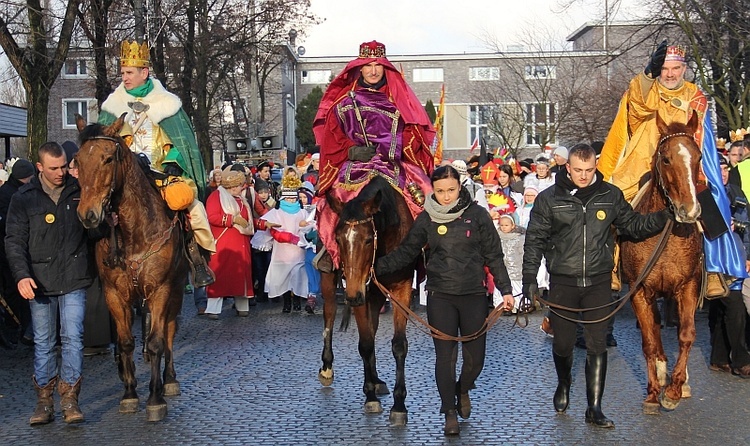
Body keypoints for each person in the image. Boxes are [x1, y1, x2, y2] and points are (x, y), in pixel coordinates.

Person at [522, 144, 671, 429]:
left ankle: (594, 407)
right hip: (563, 281)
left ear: (595, 168)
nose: (583, 175)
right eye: (578, 170)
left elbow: (633, 226)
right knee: (564, 345)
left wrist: (663, 217)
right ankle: (564, 383)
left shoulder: (610, 195)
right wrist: (530, 279)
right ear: (568, 167)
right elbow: (534, 241)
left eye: (589, 171)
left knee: (597, 345)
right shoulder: (548, 199)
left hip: (599, 281)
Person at [598, 40, 747, 297]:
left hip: (683, 164)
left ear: (684, 69)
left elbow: (699, 131)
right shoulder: (648, 90)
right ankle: (611, 264)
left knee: (708, 202)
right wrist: (647, 74)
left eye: (675, 68)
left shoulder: (695, 95)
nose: (669, 74)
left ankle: (712, 270)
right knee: (614, 203)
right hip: (643, 162)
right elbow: (638, 103)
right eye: (664, 68)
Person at [375, 165, 514, 436]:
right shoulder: (427, 219)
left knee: (476, 361)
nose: (446, 196)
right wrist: (376, 267)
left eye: (451, 190)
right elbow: (406, 252)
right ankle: (449, 411)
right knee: (445, 358)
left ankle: (463, 388)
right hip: (441, 296)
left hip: (473, 294)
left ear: (459, 187)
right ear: (433, 191)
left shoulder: (478, 216)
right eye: (440, 191)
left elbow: (494, 256)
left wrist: (506, 289)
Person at [97, 40, 215, 288]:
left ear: (144, 73)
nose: (125, 78)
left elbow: (179, 143)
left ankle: (196, 259)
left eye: (129, 73)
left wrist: (174, 162)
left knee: (189, 205)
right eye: (122, 73)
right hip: (123, 176)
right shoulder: (112, 107)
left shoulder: (168, 105)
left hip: (159, 173)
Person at [313, 40, 435, 271]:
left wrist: (394, 147)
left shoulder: (399, 100)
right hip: (356, 165)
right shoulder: (343, 103)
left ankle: (426, 250)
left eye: (378, 65)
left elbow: (412, 132)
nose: (373, 70)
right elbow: (332, 138)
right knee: (335, 198)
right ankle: (331, 251)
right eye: (368, 65)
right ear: (359, 68)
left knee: (426, 194)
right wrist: (351, 150)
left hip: (393, 162)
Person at [5, 142, 94, 425]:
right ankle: (44, 402)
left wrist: (107, 224)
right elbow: (14, 241)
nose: (61, 172)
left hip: (74, 277)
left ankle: (69, 399)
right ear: (40, 167)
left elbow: (94, 233)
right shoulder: (24, 198)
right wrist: (22, 275)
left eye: (65, 166)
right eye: (54, 168)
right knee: (43, 342)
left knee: (73, 339)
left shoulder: (79, 191)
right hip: (40, 281)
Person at [709, 155, 750, 376]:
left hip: (734, 258)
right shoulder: (705, 194)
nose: (723, 173)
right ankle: (741, 360)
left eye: (726, 169)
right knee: (731, 306)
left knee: (728, 306)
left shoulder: (736, 192)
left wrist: (748, 254)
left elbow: (747, 225)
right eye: (719, 169)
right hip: (714, 260)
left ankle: (719, 357)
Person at [203, 170, 255, 319]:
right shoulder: (215, 196)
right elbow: (212, 217)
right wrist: (232, 219)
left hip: (241, 244)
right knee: (220, 275)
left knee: (241, 275)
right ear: (232, 186)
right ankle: (213, 309)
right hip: (224, 245)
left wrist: (265, 224)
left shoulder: (241, 199)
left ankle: (242, 306)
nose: (242, 188)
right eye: (240, 185)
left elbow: (249, 221)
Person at [263, 176, 313, 313]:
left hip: (298, 251)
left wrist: (303, 236)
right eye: (289, 198)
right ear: (283, 198)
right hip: (282, 251)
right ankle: (286, 302)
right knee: (283, 277)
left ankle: (297, 300)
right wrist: (289, 237)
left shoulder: (303, 212)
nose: (292, 201)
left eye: (293, 198)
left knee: (298, 275)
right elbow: (273, 230)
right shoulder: (276, 213)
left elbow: (308, 227)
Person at [0, 158, 36, 347]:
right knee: (15, 292)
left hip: (13, 249)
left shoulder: (9, 191)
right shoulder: (11, 195)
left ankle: (21, 327)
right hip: (10, 250)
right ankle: (18, 327)